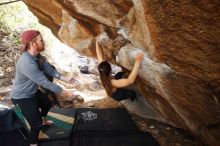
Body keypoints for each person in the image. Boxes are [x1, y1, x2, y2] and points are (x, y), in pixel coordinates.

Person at [10, 30, 77, 146]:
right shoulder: (26, 63)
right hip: (21, 97)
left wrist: (67, 79)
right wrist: (65, 93)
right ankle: (33, 144)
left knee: (46, 103)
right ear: (33, 43)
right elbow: (45, 83)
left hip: (32, 92)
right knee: (36, 125)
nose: (43, 41)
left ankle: (43, 121)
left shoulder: (38, 56)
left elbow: (50, 70)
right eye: (41, 39)